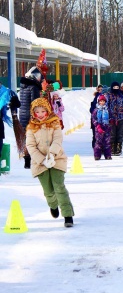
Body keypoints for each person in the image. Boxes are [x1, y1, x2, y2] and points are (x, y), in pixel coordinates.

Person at [26, 97, 74, 227]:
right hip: (40, 163)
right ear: (33, 113)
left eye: (43, 111)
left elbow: (58, 140)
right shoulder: (31, 128)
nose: (41, 115)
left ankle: (67, 215)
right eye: (37, 112)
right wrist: (42, 160)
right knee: (48, 190)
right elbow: (30, 146)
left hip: (57, 159)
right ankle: (53, 205)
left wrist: (51, 155)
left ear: (48, 111)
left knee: (59, 187)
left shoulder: (55, 123)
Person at [19, 66, 43, 168]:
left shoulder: (23, 86)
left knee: (26, 138)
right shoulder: (33, 87)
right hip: (31, 117)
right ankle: (35, 160)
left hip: (22, 116)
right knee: (34, 138)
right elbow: (35, 103)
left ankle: (27, 161)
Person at [106, 81, 123, 155]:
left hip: (121, 118)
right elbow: (106, 105)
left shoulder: (121, 96)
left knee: (120, 134)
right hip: (111, 118)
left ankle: (118, 148)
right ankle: (112, 148)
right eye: (114, 87)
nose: (116, 89)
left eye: (117, 87)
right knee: (112, 134)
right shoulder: (108, 95)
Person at [92, 95, 112, 160]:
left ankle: (108, 155)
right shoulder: (96, 110)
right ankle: (97, 155)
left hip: (106, 126)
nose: (102, 102)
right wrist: (97, 126)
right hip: (99, 127)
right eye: (101, 101)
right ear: (98, 102)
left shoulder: (108, 109)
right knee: (98, 142)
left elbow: (111, 117)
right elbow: (93, 119)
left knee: (107, 142)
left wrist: (111, 122)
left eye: (103, 101)